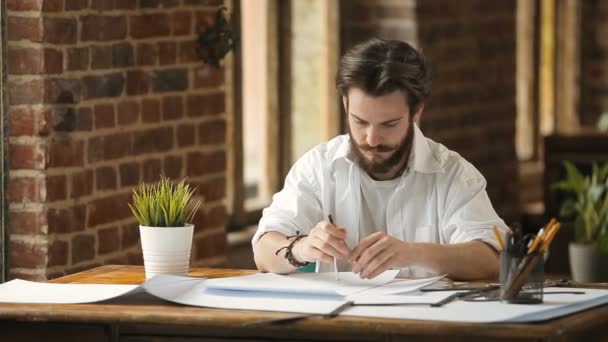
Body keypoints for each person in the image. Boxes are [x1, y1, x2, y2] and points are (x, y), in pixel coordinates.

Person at [251, 38, 509, 280]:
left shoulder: (453, 174)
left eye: (389, 124)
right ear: (345, 105)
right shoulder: (318, 167)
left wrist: (413, 253)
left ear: (416, 112)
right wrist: (301, 248)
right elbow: (263, 251)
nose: (372, 139)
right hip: (337, 325)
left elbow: (494, 259)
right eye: (360, 122)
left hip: (430, 324)